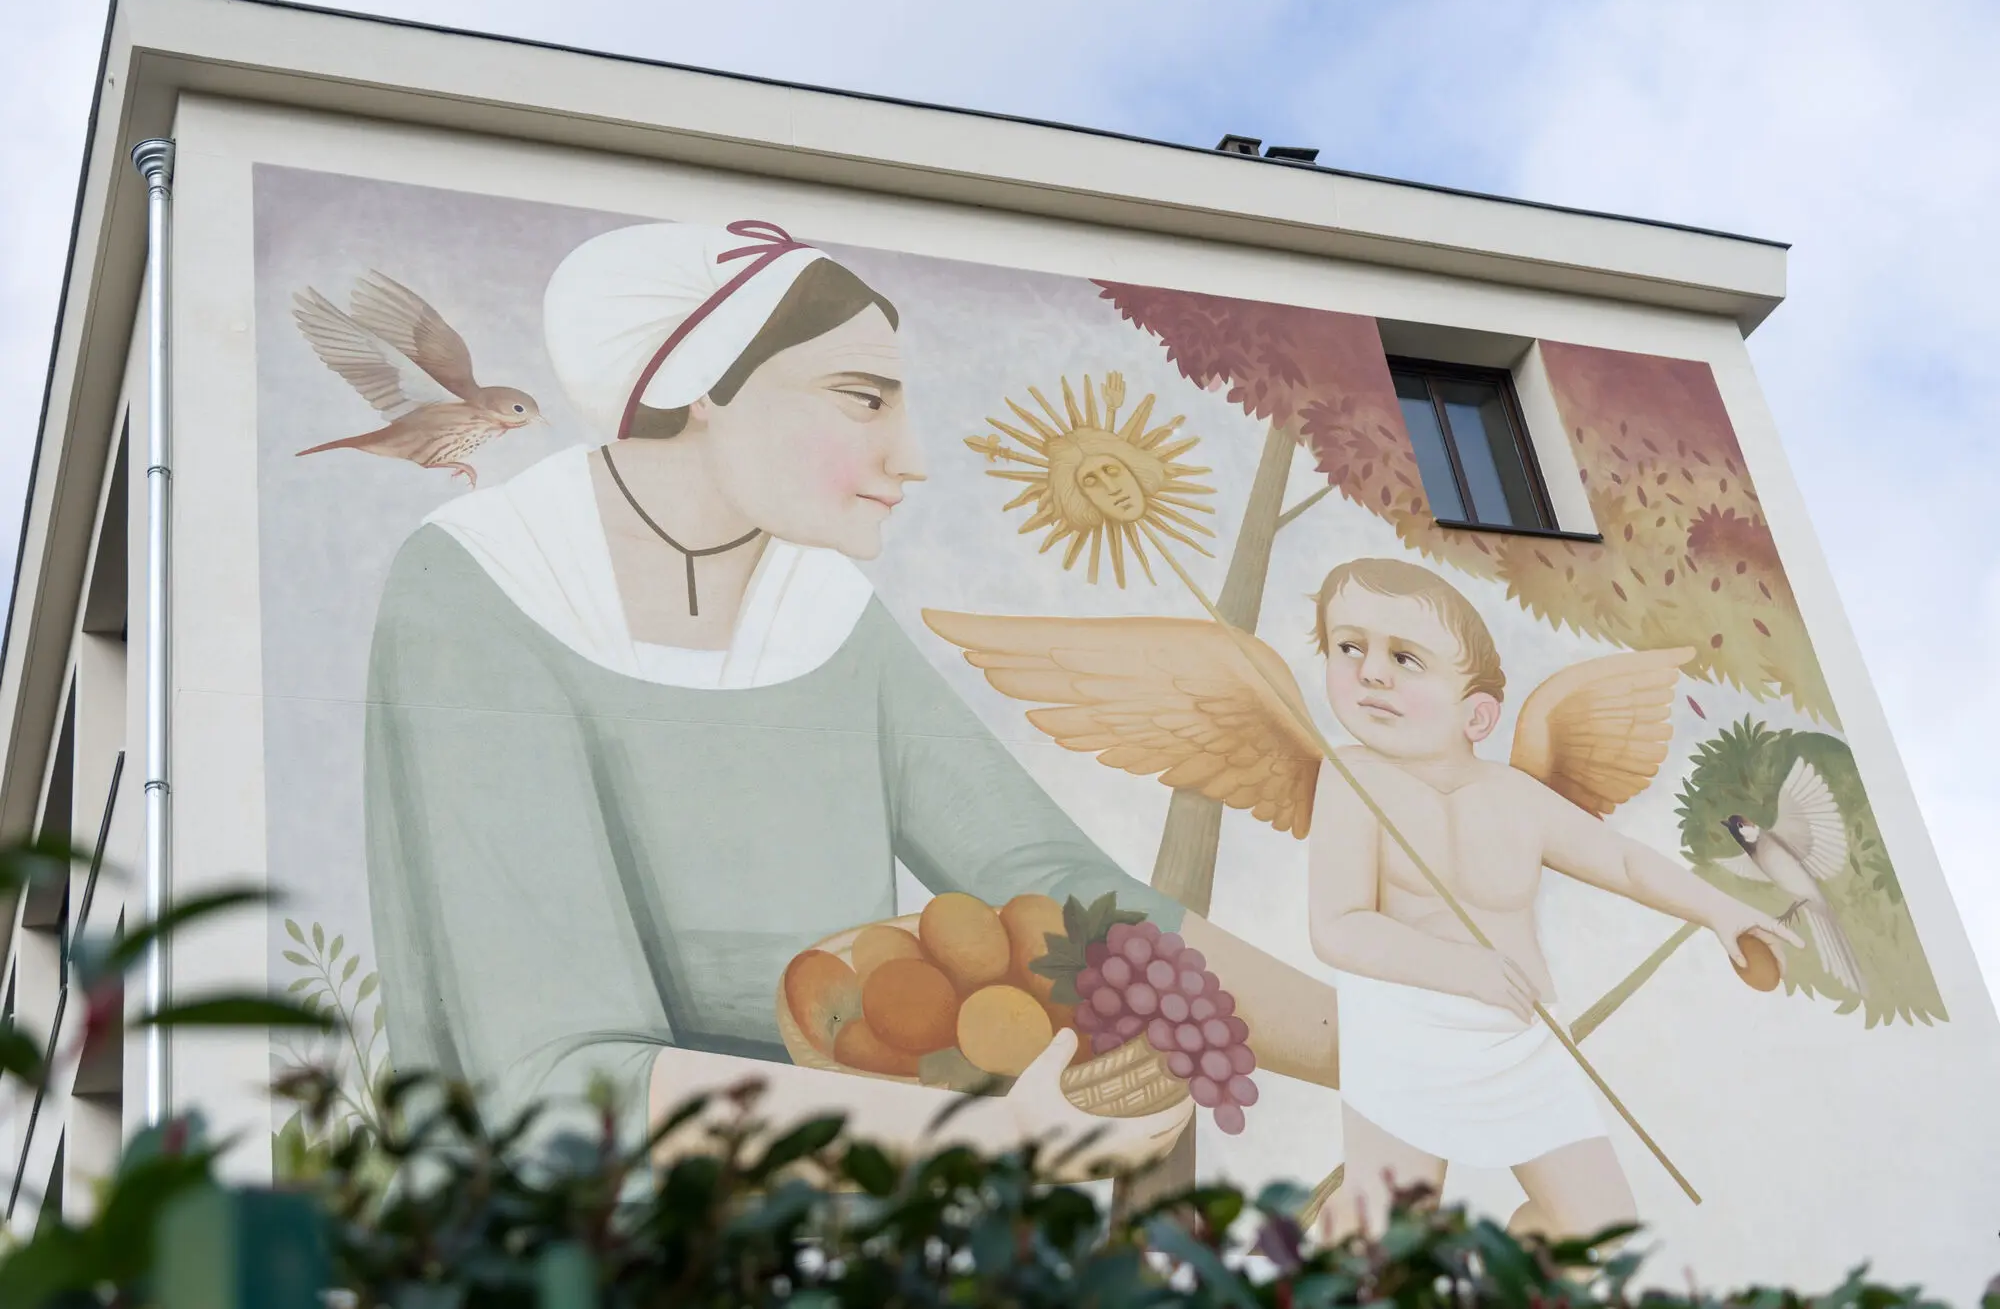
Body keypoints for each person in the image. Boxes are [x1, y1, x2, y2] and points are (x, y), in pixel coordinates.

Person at [363, 219, 1336, 1165]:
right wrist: (995, 1136)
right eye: (863, 400)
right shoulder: (484, 587)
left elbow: (1041, 876)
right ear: (698, 386)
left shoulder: (817, 604)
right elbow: (550, 1084)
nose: (912, 457)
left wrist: (1366, 1051)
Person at [1304, 558, 1796, 1236]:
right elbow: (1338, 925)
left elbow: (1622, 860)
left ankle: (1510, 1269)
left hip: (1521, 1038)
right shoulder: (1352, 778)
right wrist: (1462, 969)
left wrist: (1717, 908)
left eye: (1405, 657)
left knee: (1599, 1227)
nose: (1372, 673)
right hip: (1405, 1030)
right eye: (1348, 646)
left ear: (1478, 713)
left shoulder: (1514, 796)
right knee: (1385, 1224)